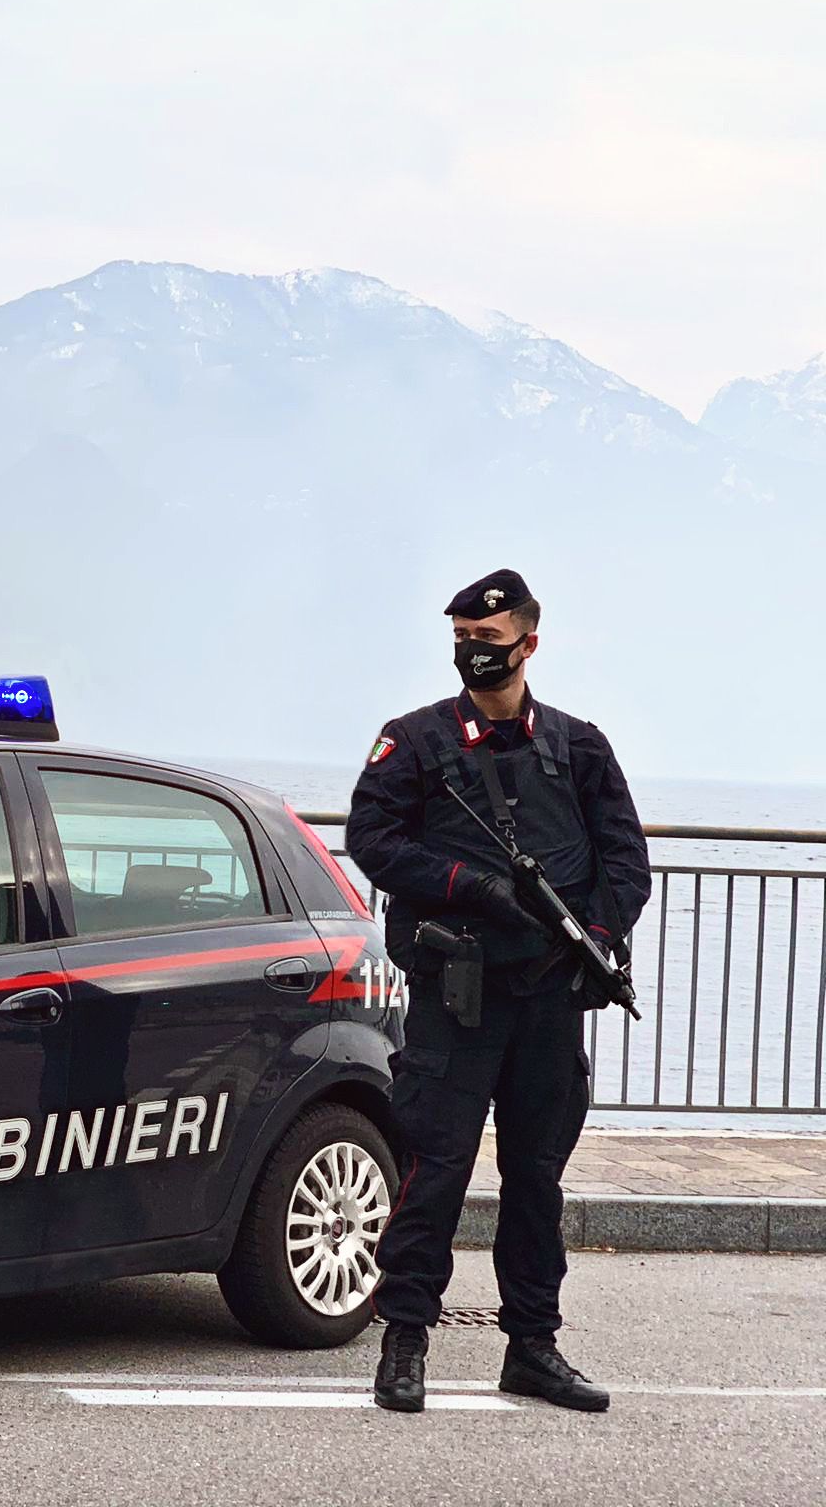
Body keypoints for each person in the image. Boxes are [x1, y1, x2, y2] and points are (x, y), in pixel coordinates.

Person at [345, 568, 649, 1415]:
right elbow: (371, 839)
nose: (474, 652)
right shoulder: (415, 741)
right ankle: (405, 1340)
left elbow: (626, 862)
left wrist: (594, 937)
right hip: (458, 997)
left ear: (528, 644)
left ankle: (533, 1348)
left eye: (489, 639)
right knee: (434, 1170)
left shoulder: (578, 748)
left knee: (536, 1180)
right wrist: (466, 886)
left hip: (549, 998)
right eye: (463, 640)